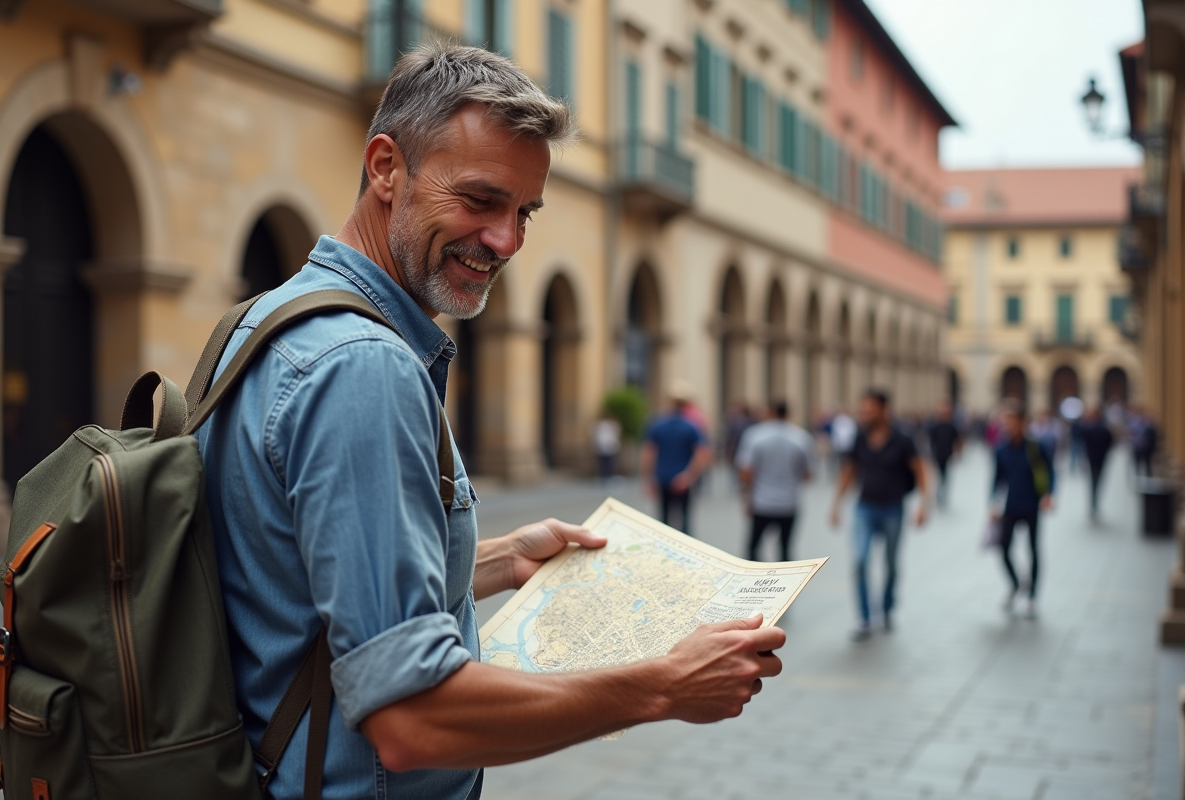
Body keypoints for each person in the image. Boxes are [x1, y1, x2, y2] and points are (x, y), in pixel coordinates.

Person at [197, 44, 785, 800]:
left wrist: (501, 559)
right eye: (479, 200)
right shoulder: (361, 367)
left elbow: (294, 585)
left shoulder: (264, 321)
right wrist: (663, 687)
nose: (505, 240)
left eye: (524, 212)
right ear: (385, 168)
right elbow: (411, 719)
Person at [830, 389, 929, 641]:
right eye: (863, 409)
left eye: (869, 409)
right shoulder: (860, 438)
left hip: (893, 509)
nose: (864, 414)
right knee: (861, 561)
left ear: (884, 410)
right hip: (865, 508)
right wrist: (836, 504)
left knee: (891, 564)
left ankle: (887, 607)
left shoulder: (903, 439)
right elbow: (849, 471)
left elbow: (920, 471)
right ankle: (864, 617)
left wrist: (923, 505)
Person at [990, 402, 1055, 617]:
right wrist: (992, 503)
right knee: (1003, 548)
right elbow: (996, 478)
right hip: (1010, 505)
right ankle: (1016, 583)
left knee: (1033, 550)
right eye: (1005, 421)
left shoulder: (1036, 447)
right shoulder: (1001, 448)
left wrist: (1048, 494)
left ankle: (1033, 596)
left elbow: (1049, 472)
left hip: (1032, 505)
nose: (1007, 425)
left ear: (1022, 422)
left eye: (1011, 421)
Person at [736, 400, 815, 562]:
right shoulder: (801, 437)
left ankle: (758, 585)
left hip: (761, 501)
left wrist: (746, 495)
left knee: (753, 548)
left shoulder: (755, 435)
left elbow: (745, 472)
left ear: (769, 412)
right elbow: (808, 474)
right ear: (788, 414)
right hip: (789, 501)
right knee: (785, 548)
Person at [642, 383, 712, 535]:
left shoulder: (657, 424)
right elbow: (703, 453)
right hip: (682, 480)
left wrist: (649, 477)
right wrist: (689, 475)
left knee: (664, 522)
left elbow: (649, 453)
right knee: (685, 521)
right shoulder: (691, 426)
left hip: (663, 478)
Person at [1078, 406, 1114, 520]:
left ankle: (1093, 505)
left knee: (1094, 483)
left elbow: (1081, 439)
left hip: (1094, 460)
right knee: (1097, 482)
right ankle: (1094, 505)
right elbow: (1111, 443)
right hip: (1099, 459)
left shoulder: (1090, 429)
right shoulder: (1104, 429)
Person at [926, 399, 961, 508]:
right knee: (938, 476)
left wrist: (958, 453)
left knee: (944, 475)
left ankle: (942, 494)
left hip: (947, 454)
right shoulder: (935, 426)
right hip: (936, 454)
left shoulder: (951, 426)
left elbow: (957, 440)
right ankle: (938, 494)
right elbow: (930, 441)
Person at [1129, 404, 1159, 476]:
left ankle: (1144, 475)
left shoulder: (1145, 423)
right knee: (1141, 462)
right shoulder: (1135, 422)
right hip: (1139, 445)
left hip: (1144, 446)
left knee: (1146, 462)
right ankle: (1140, 474)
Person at [593, 413, 622, 482]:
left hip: (609, 447)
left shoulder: (611, 424)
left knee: (609, 463)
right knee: (604, 463)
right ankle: (604, 476)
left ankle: (608, 476)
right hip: (602, 447)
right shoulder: (599, 425)